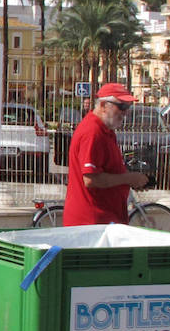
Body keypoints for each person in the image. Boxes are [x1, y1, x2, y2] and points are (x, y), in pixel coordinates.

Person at [63, 82, 149, 226]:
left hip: (105, 220)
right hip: (92, 223)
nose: (125, 112)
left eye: (127, 107)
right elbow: (91, 179)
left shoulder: (106, 131)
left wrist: (131, 180)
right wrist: (128, 178)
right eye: (121, 106)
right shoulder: (92, 132)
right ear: (103, 105)